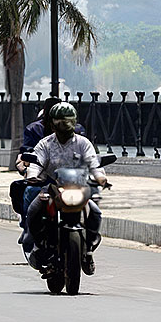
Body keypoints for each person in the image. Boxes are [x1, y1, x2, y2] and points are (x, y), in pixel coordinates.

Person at [24, 102, 107, 275]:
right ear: (52, 123)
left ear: (74, 122)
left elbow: (93, 162)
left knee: (95, 213)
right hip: (53, 187)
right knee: (33, 211)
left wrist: (100, 177)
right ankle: (38, 246)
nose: (65, 125)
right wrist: (32, 174)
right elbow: (36, 162)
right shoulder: (45, 144)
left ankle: (89, 250)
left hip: (79, 188)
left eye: (68, 121)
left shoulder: (83, 143)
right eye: (60, 121)